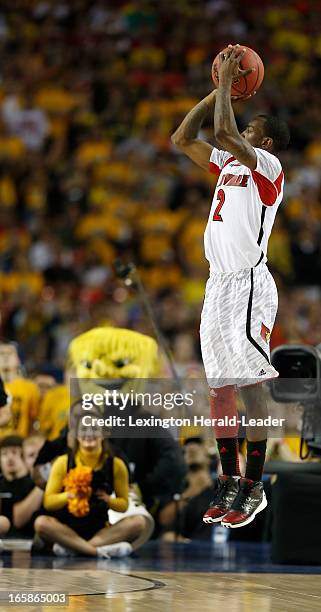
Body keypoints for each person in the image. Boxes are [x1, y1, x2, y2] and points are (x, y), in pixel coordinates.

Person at [171, 44, 290, 528]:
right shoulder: (226, 165)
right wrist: (214, 87)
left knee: (252, 380)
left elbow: (222, 130)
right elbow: (182, 138)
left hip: (248, 283)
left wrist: (227, 84)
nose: (243, 131)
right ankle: (229, 480)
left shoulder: (268, 169)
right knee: (219, 386)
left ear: (268, 142)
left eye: (253, 129)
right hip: (217, 284)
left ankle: (255, 484)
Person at [34, 418, 146, 558]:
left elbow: (123, 505)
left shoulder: (116, 465)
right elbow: (48, 502)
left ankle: (75, 549)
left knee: (138, 522)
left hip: (100, 531)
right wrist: (68, 495)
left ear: (104, 433)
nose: (89, 434)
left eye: (94, 429)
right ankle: (97, 551)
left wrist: (108, 500)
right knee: (41, 523)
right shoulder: (63, 462)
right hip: (66, 529)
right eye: (84, 429)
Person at [0, 435, 44, 543]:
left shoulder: (33, 482)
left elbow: (18, 520)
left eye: (14, 452)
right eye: (4, 454)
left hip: (26, 539)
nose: (10, 458)